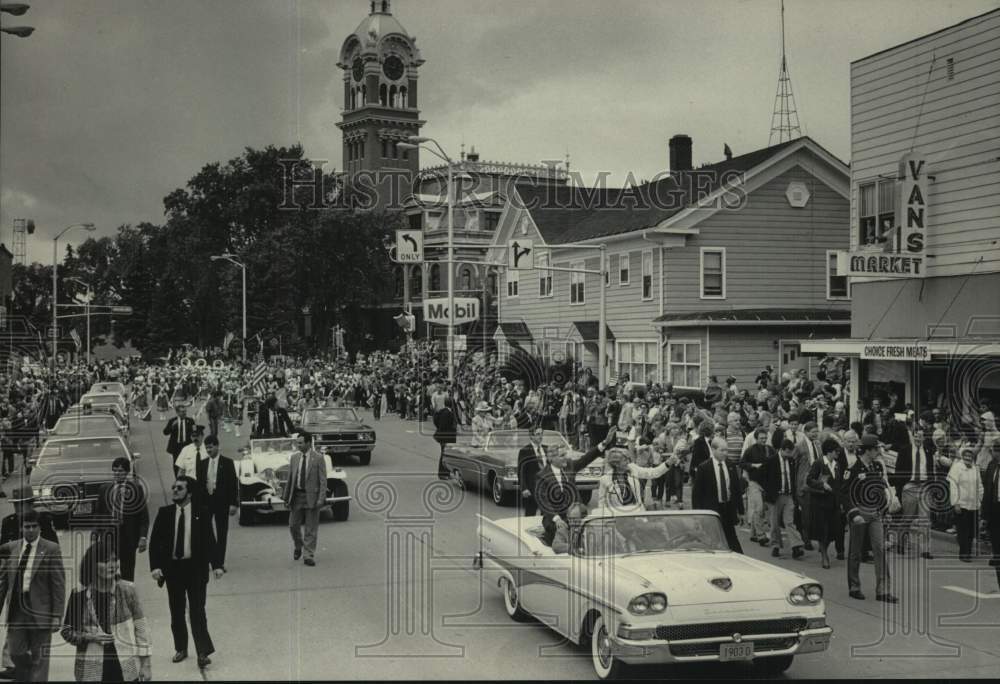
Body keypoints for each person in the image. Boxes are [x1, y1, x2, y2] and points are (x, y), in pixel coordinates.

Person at [149, 475, 223, 668]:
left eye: (179, 488)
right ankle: (181, 648)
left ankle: (202, 652)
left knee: (198, 611)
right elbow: (155, 543)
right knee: (177, 611)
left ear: (189, 493)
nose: (174, 490)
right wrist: (155, 567)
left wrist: (216, 565)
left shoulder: (202, 512)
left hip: (195, 569)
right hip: (173, 570)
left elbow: (210, 541)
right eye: (173, 487)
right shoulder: (164, 513)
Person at [60, 538, 152, 682]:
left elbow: (141, 629)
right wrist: (89, 637)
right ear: (92, 565)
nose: (112, 565)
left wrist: (146, 665)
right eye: (105, 561)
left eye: (115, 560)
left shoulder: (128, 590)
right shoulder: (79, 594)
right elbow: (67, 631)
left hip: (126, 667)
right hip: (91, 668)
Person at [0, 510, 66, 682]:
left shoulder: (51, 549)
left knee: (40, 659)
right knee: (15, 651)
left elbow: (58, 585)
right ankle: (27, 674)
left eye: (33, 526)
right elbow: (4, 582)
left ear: (39, 528)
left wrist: (57, 616)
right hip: (17, 610)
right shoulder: (13, 548)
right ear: (21, 528)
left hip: (41, 611)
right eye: (26, 527)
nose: (30, 530)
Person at [537, 428, 618, 546]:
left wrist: (605, 443)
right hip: (556, 519)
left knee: (594, 537)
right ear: (551, 458)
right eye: (562, 455)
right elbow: (543, 502)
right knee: (562, 543)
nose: (566, 457)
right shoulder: (542, 476)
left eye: (566, 454)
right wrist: (556, 519)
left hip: (576, 515)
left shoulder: (569, 466)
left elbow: (586, 458)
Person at [843, 434, 896, 602]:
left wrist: (885, 511)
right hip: (859, 511)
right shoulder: (852, 468)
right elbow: (844, 493)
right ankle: (854, 586)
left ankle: (883, 590)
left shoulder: (877, 467)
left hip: (875, 513)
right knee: (856, 551)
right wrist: (853, 512)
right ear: (868, 450)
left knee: (880, 549)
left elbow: (880, 490)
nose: (879, 452)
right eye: (876, 449)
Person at [98, 458, 149, 582]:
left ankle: (127, 597)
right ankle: (111, 597)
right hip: (109, 537)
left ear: (127, 472)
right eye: (114, 471)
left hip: (128, 537)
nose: (117, 474)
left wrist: (143, 537)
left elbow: (143, 516)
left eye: (120, 471)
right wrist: (97, 534)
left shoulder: (136, 489)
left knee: (127, 573)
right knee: (108, 572)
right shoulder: (104, 489)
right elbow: (98, 515)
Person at [192, 436, 239, 571]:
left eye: (211, 447)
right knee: (205, 532)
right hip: (206, 503)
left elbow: (232, 484)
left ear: (218, 446)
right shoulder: (202, 463)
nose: (209, 450)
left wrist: (233, 503)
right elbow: (199, 485)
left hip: (222, 503)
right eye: (206, 447)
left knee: (222, 533)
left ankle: (219, 563)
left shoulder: (228, 463)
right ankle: (207, 560)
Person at [281, 431, 327, 567]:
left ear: (308, 443)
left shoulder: (318, 458)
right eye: (297, 443)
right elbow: (291, 478)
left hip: (312, 497)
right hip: (297, 496)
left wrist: (321, 499)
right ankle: (298, 544)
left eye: (300, 443)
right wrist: (286, 497)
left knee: (311, 528)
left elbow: (323, 481)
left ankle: (308, 555)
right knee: (293, 525)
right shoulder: (294, 458)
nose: (298, 445)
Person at [692, 441, 744, 553]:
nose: (725, 453)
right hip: (712, 508)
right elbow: (697, 493)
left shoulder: (730, 465)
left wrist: (741, 511)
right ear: (713, 450)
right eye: (722, 450)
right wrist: (697, 514)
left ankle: (739, 558)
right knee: (713, 537)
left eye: (727, 450)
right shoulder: (704, 467)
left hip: (728, 507)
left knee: (732, 538)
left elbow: (736, 489)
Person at [807, 439, 846, 568]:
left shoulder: (837, 465)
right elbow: (809, 480)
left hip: (833, 503)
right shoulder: (818, 463)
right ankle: (824, 556)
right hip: (820, 503)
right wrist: (822, 484)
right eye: (836, 451)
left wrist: (840, 503)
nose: (838, 453)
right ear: (829, 451)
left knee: (833, 531)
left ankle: (823, 547)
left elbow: (839, 485)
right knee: (822, 530)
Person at [595, 448, 668, 512]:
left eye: (627, 459)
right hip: (618, 517)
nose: (628, 462)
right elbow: (602, 504)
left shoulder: (633, 468)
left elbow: (654, 472)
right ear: (616, 464)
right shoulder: (604, 480)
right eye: (624, 460)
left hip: (637, 514)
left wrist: (669, 462)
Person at [765, 440, 805, 559]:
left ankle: (796, 546)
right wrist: (769, 492)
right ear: (781, 450)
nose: (789, 455)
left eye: (790, 453)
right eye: (787, 452)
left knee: (789, 521)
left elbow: (792, 478)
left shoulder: (791, 461)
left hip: (788, 495)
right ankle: (776, 545)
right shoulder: (771, 461)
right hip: (775, 496)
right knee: (775, 523)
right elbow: (763, 477)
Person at [948, 447, 984, 563]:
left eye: (970, 456)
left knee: (971, 531)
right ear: (963, 456)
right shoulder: (957, 467)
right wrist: (956, 503)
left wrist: (981, 501)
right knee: (963, 530)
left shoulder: (975, 469)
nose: (968, 458)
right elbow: (953, 486)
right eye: (966, 455)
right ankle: (964, 554)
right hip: (961, 504)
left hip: (973, 505)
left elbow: (980, 487)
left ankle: (967, 552)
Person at [740, 428, 773, 546]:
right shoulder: (750, 450)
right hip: (754, 482)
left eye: (765, 438)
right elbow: (742, 463)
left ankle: (753, 534)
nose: (764, 440)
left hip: (766, 483)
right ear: (756, 438)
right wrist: (753, 465)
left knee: (761, 509)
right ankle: (761, 536)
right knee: (759, 508)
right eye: (761, 438)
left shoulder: (770, 449)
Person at [518, 425, 548, 517]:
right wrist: (524, 488)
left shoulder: (546, 449)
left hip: (546, 488)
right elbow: (521, 471)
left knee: (547, 514)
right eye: (537, 434)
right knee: (530, 515)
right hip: (532, 489)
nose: (540, 436)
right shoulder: (525, 451)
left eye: (541, 434)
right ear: (531, 436)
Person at [982, 441, 1000, 592]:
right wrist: (984, 516)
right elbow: (987, 492)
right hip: (994, 513)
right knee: (997, 551)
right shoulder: (992, 466)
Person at [163, 404, 196, 475]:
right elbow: (165, 432)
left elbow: (195, 431)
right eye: (182, 412)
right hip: (176, 447)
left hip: (187, 446)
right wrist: (172, 426)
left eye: (185, 411)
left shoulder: (190, 421)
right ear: (177, 412)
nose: (184, 413)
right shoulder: (172, 421)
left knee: (187, 463)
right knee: (177, 464)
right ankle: (177, 479)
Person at [433, 398, 457, 480]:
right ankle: (442, 473)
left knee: (446, 454)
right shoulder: (447, 413)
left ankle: (446, 472)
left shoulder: (443, 411)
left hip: (444, 436)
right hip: (446, 437)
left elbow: (436, 421)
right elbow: (444, 425)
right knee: (444, 455)